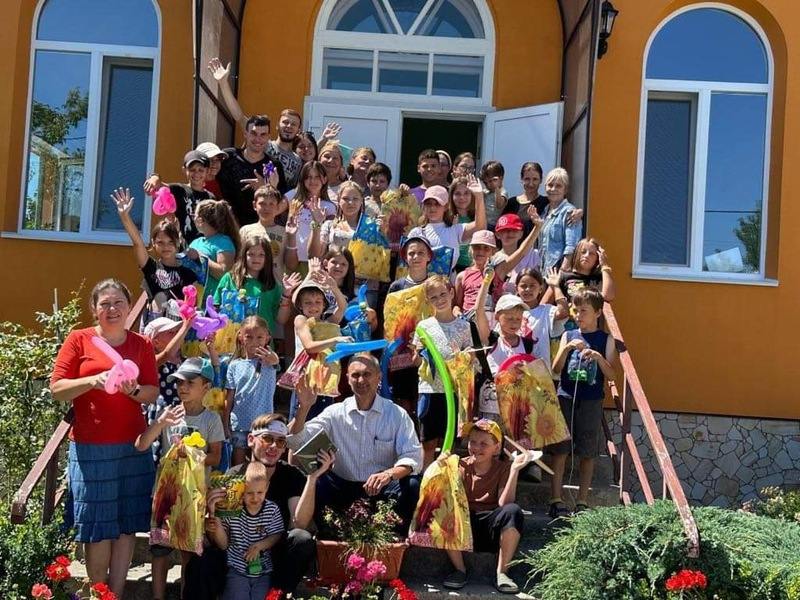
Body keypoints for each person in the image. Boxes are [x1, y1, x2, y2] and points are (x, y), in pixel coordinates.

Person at [50, 279, 159, 596]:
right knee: (97, 527)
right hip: (90, 449)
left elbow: (152, 392)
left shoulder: (141, 344)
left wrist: (133, 391)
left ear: (129, 307)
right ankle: (99, 594)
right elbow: (57, 389)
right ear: (94, 309)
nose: (112, 309)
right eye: (105, 303)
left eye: (118, 302)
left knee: (126, 525)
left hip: (132, 447)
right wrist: (91, 381)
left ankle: (116, 593)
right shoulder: (79, 339)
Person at [185, 414, 329, 597]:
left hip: (274, 553)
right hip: (237, 555)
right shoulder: (235, 476)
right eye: (267, 439)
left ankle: (277, 594)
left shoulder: (291, 475)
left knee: (302, 539)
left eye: (280, 441)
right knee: (202, 559)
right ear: (251, 440)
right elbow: (222, 539)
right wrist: (212, 512)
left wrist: (312, 478)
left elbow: (299, 524)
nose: (274, 446)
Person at [287, 354, 423, 530]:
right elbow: (297, 441)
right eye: (355, 375)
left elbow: (413, 457)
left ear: (379, 377)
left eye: (367, 374)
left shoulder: (396, 414)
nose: (361, 380)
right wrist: (304, 408)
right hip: (342, 488)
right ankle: (327, 533)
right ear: (347, 379)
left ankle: (397, 537)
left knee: (412, 484)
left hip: (381, 488)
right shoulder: (334, 412)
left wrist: (388, 475)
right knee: (316, 480)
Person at [135, 357, 225, 600]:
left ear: (206, 387)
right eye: (179, 382)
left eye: (190, 382)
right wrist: (159, 423)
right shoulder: (169, 413)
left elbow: (216, 457)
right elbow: (141, 444)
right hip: (166, 493)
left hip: (194, 496)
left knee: (188, 552)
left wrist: (191, 455)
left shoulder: (211, 419)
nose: (182, 387)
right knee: (159, 549)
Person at [547, 288, 617, 517]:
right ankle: (556, 499)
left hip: (591, 401)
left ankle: (582, 501)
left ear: (597, 313)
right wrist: (566, 349)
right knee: (560, 450)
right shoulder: (568, 335)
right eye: (575, 310)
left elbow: (612, 375)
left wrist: (598, 357)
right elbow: (556, 369)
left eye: (583, 311)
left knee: (588, 451)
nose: (578, 315)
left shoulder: (605, 339)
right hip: (565, 396)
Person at [441, 419, 531, 594]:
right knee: (444, 509)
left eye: (484, 444)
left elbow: (504, 503)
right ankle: (459, 570)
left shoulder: (503, 468)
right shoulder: (459, 465)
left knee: (513, 511)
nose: (476, 447)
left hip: (491, 526)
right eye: (473, 442)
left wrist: (514, 470)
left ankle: (502, 573)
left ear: (496, 448)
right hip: (464, 526)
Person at [208, 57, 302, 190]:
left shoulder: (297, 160)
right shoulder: (265, 143)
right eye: (285, 122)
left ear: (298, 130)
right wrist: (223, 84)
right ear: (276, 126)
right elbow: (239, 116)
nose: (289, 126)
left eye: (293, 124)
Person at [411, 276, 472, 467]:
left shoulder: (464, 326)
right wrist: (418, 357)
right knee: (428, 442)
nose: (440, 300)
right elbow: (417, 359)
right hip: (430, 389)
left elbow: (470, 355)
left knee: (448, 441)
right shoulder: (424, 326)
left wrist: (464, 356)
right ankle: (424, 477)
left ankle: (446, 477)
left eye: (443, 294)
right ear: (428, 301)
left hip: (452, 391)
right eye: (434, 297)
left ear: (451, 293)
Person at [110, 188, 197, 312]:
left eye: (170, 242)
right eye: (160, 242)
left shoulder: (188, 272)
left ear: (178, 242)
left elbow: (192, 302)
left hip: (179, 319)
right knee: (161, 297)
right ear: (153, 243)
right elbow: (137, 242)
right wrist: (124, 216)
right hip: (156, 320)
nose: (166, 247)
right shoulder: (151, 267)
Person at [207, 461, 284, 600]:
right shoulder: (233, 509)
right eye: (249, 493)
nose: (255, 498)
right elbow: (223, 544)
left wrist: (259, 546)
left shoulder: (272, 509)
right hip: (237, 569)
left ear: (267, 487)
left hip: (263, 571)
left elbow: (277, 534)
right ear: (242, 489)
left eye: (260, 492)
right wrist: (215, 517)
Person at [454, 222, 541, 319]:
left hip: (490, 319)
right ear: (471, 250)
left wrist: (537, 227)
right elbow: (457, 304)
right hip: (468, 320)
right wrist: (457, 312)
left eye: (486, 248)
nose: (481, 251)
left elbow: (521, 252)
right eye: (477, 247)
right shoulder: (462, 276)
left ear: (493, 252)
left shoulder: (498, 271)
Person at [290, 278, 350, 419]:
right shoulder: (301, 319)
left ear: (324, 305)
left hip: (326, 377)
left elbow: (342, 307)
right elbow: (309, 347)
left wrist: (334, 287)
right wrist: (335, 340)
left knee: (322, 420)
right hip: (305, 377)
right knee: (301, 420)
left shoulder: (328, 322)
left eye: (318, 302)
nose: (313, 306)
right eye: (308, 302)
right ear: (300, 305)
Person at [225, 316, 281, 465]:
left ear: (267, 338)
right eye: (249, 337)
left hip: (263, 423)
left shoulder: (268, 361)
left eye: (259, 337)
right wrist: (225, 423)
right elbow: (229, 397)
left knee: (260, 462)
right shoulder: (234, 365)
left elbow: (275, 360)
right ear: (241, 337)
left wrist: (272, 358)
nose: (254, 342)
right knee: (238, 464)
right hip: (239, 422)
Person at [215, 113, 288, 226]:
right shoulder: (227, 157)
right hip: (224, 225)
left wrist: (265, 187)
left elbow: (281, 201)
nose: (258, 139)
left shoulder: (273, 166)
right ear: (245, 134)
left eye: (263, 135)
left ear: (268, 137)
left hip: (257, 228)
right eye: (254, 133)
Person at [214, 235, 290, 336]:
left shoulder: (272, 285)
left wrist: (286, 295)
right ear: (244, 255)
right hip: (230, 340)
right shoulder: (230, 278)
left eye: (261, 255)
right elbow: (215, 308)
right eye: (251, 254)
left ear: (268, 258)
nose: (256, 258)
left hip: (261, 343)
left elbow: (281, 319)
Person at [410, 176, 486, 273]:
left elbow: (480, 226)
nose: (432, 208)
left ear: (446, 206)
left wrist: (479, 197)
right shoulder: (416, 232)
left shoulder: (455, 230)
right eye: (429, 204)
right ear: (424, 206)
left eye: (437, 204)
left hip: (448, 281)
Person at [142, 317, 192, 463]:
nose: (178, 335)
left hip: (183, 412)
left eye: (178, 331)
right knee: (162, 453)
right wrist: (186, 327)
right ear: (156, 342)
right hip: (162, 413)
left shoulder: (186, 361)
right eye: (171, 333)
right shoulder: (153, 360)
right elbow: (167, 355)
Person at [143, 150, 216, 244]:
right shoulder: (179, 189)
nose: (196, 173)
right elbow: (159, 185)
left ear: (208, 171)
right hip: (183, 247)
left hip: (205, 246)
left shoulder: (211, 198)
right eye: (192, 170)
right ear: (184, 170)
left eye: (201, 170)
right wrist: (154, 178)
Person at [239, 185, 299, 283]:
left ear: (278, 207)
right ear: (254, 205)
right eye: (262, 203)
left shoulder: (286, 232)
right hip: (249, 285)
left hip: (275, 285)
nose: (267, 208)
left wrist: (292, 236)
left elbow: (291, 266)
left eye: (271, 204)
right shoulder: (245, 230)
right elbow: (239, 261)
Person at [513, 269, 568, 375]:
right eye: (523, 286)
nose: (528, 289)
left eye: (532, 286)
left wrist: (556, 287)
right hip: (516, 370)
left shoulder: (546, 311)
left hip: (540, 373)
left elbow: (563, 312)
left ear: (541, 288)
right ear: (516, 288)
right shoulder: (511, 311)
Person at [503, 162, 583, 235]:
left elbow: (564, 208)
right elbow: (502, 227)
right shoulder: (512, 203)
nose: (531, 184)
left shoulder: (546, 202)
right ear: (521, 179)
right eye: (527, 179)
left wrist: (580, 212)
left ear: (541, 180)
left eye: (535, 179)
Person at [187, 199, 241, 301]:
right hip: (193, 300)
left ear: (200, 220)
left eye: (194, 215)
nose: (193, 219)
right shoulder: (196, 242)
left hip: (214, 302)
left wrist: (199, 256)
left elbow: (224, 274)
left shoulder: (223, 242)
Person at [290, 161, 338, 272]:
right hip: (292, 258)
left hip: (315, 263)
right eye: (308, 177)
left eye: (317, 177)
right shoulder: (295, 201)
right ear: (303, 180)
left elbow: (328, 236)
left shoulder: (330, 207)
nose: (312, 181)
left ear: (324, 179)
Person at [546, 237, 616, 304]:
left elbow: (608, 296)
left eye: (592, 254)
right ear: (577, 254)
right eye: (583, 252)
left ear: (597, 259)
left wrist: (604, 265)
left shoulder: (598, 279)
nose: (586, 255)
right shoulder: (563, 276)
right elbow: (544, 304)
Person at [539, 168, 582, 272]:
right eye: (550, 185)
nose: (553, 189)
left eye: (558, 186)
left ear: (565, 189)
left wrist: (563, 271)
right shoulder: (545, 211)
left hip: (558, 271)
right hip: (543, 270)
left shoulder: (569, 212)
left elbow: (571, 246)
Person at [309, 180, 365, 258]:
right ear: (338, 200)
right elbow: (315, 255)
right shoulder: (329, 225)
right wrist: (316, 223)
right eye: (345, 198)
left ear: (361, 201)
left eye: (355, 199)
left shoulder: (371, 227)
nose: (350, 202)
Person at [494, 213, 542, 281]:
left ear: (521, 234)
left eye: (514, 230)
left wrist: (538, 226)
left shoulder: (533, 255)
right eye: (505, 230)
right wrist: (537, 227)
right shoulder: (493, 259)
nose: (510, 233)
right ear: (497, 234)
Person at [479, 160, 507, 230]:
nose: (488, 185)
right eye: (486, 182)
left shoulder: (502, 191)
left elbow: (499, 204)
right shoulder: (487, 192)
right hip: (483, 223)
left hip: (493, 226)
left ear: (501, 178)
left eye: (491, 181)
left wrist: (497, 188)